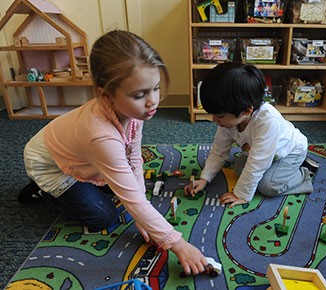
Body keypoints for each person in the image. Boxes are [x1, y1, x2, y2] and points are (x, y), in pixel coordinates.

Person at [19, 30, 207, 275]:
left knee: (124, 192)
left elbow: (133, 160)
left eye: (156, 89)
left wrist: (141, 215)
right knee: (103, 217)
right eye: (140, 95)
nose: (152, 102)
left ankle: (86, 184)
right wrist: (177, 244)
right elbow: (131, 197)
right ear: (106, 95)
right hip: (49, 164)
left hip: (84, 155)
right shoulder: (100, 136)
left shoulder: (133, 111)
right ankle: (43, 189)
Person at [185, 62, 315, 208]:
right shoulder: (230, 118)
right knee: (240, 169)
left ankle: (304, 174)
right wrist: (204, 179)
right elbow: (218, 151)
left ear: (246, 111)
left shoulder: (268, 121)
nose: (214, 120)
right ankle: (280, 172)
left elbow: (257, 163)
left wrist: (241, 194)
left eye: (219, 116)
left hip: (291, 152)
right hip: (263, 153)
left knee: (268, 186)